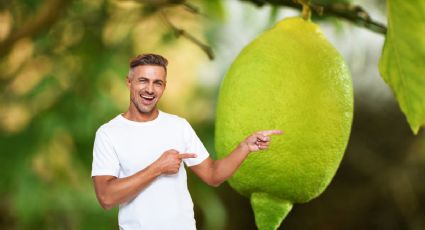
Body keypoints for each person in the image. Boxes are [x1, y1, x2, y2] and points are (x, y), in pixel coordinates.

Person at [91, 53, 282, 230]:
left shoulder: (178, 126)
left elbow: (213, 175)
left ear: (164, 86)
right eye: (143, 81)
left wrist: (245, 147)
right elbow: (106, 197)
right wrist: (158, 167)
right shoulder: (109, 133)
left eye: (157, 83)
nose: (150, 89)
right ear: (129, 82)